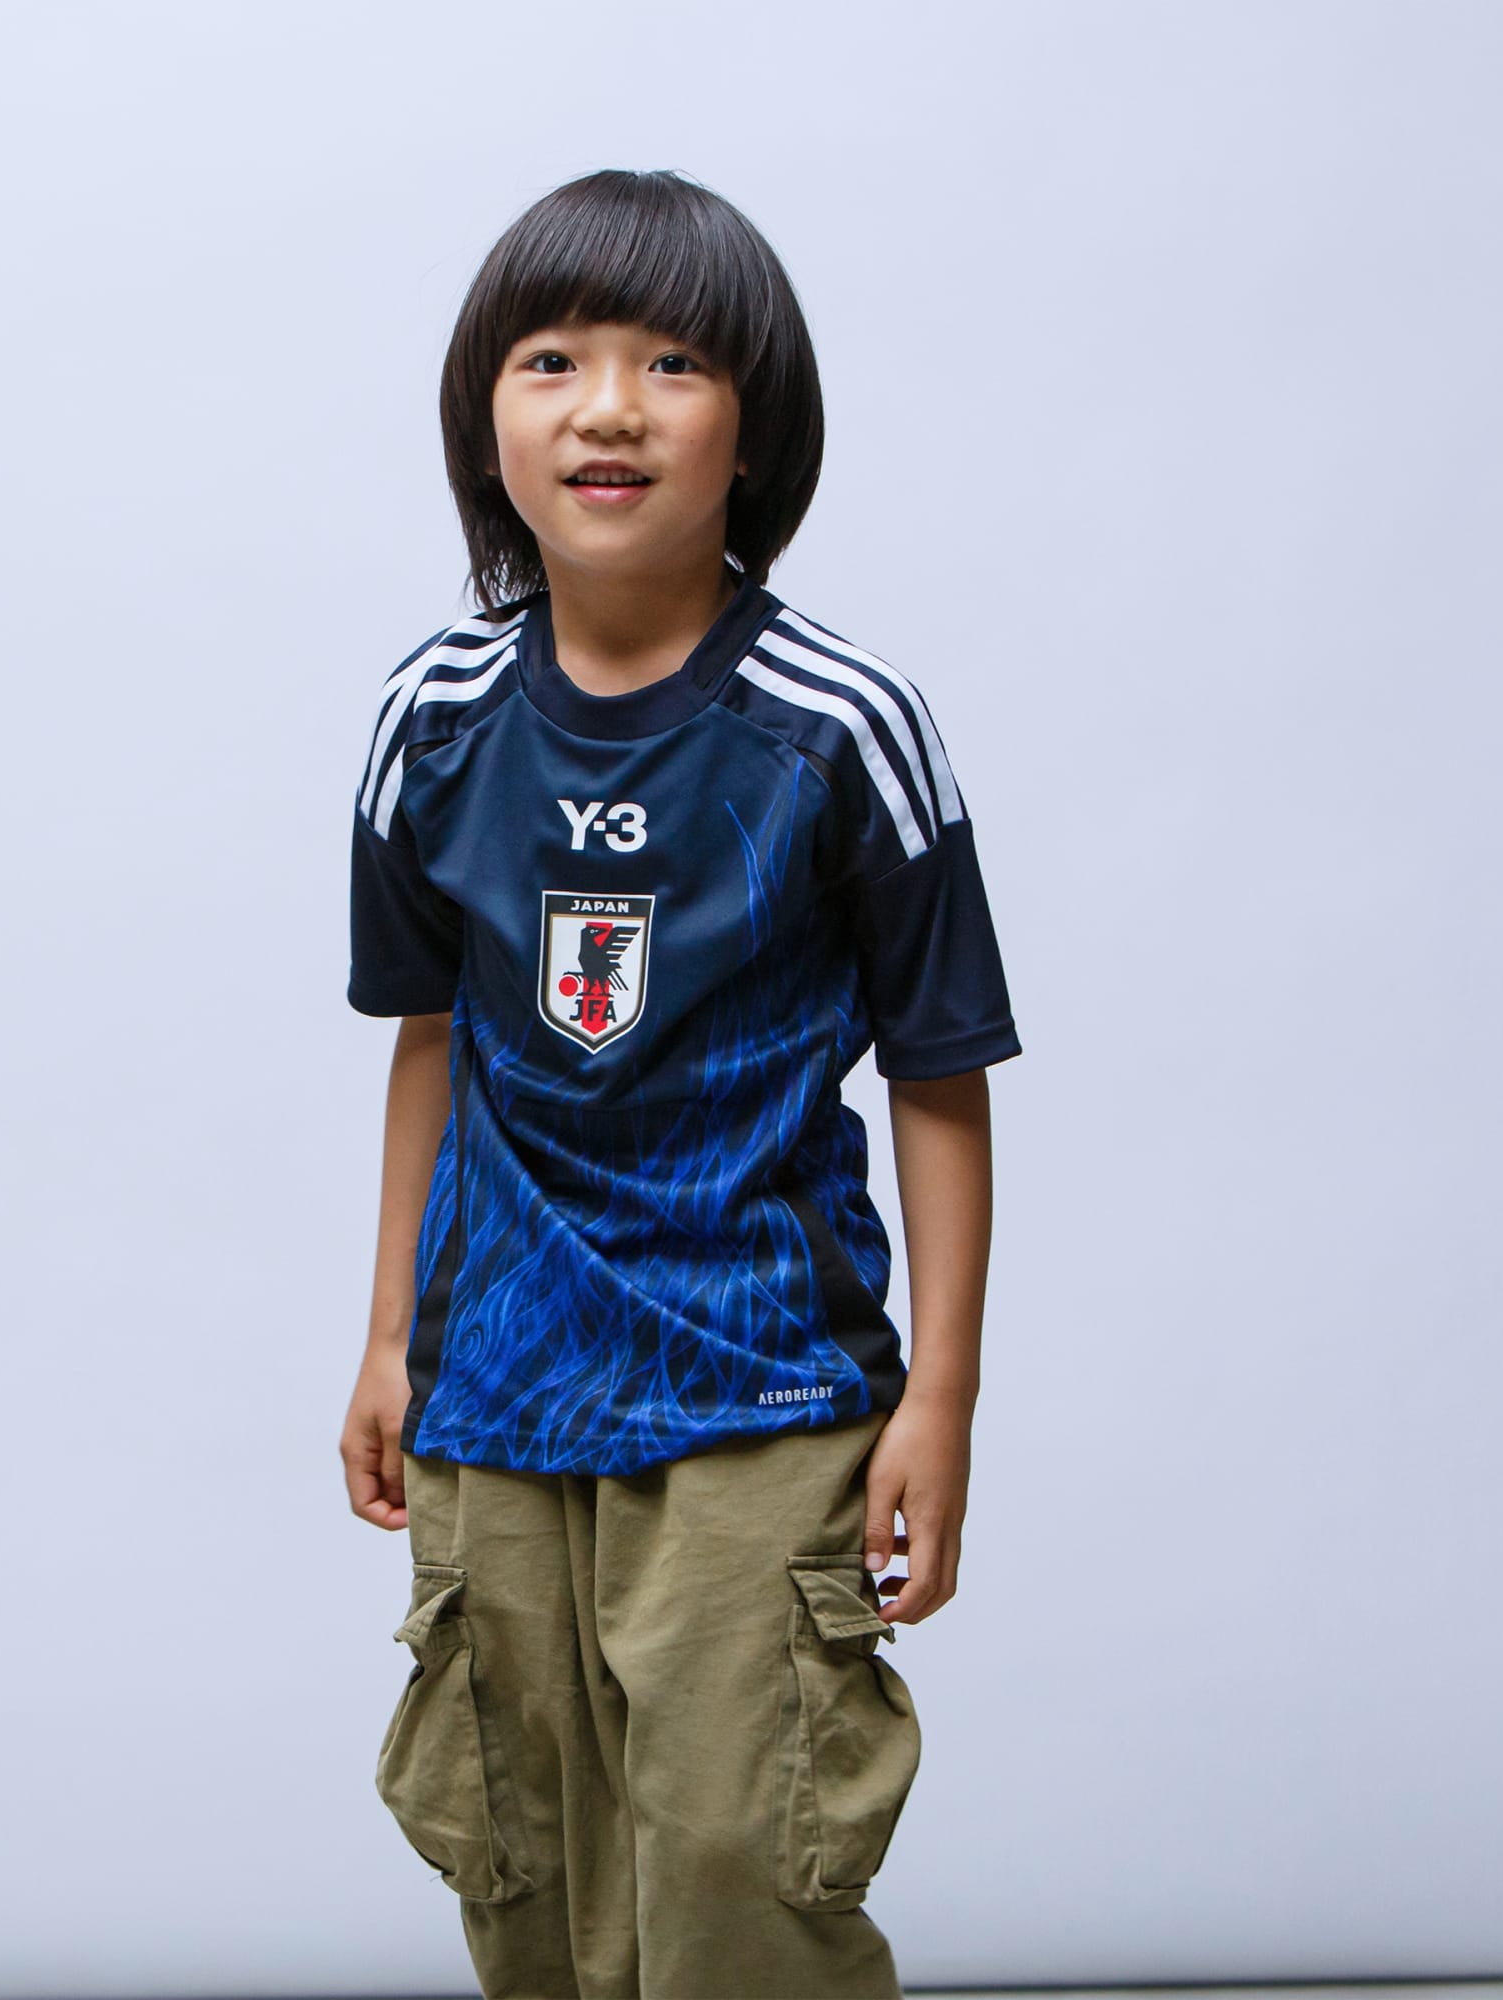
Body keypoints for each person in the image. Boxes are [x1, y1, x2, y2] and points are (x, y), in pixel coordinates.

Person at [339, 166, 1022, 2000]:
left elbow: (939, 1074)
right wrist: (392, 1336)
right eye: (553, 360)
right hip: (496, 1390)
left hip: (757, 1386)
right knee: (528, 1873)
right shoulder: (433, 719)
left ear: (756, 425)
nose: (611, 409)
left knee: (736, 1868)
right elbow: (433, 1034)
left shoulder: (838, 725)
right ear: (486, 418)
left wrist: (941, 1399)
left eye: (674, 363)